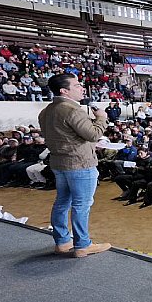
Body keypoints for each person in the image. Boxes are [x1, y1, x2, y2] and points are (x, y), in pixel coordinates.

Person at [37, 73, 110, 257]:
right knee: (81, 205)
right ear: (64, 91)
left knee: (62, 202)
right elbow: (93, 135)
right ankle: (83, 245)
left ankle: (62, 242)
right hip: (80, 164)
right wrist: (101, 117)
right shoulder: (72, 109)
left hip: (59, 163)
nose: (82, 88)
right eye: (77, 85)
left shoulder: (46, 111)